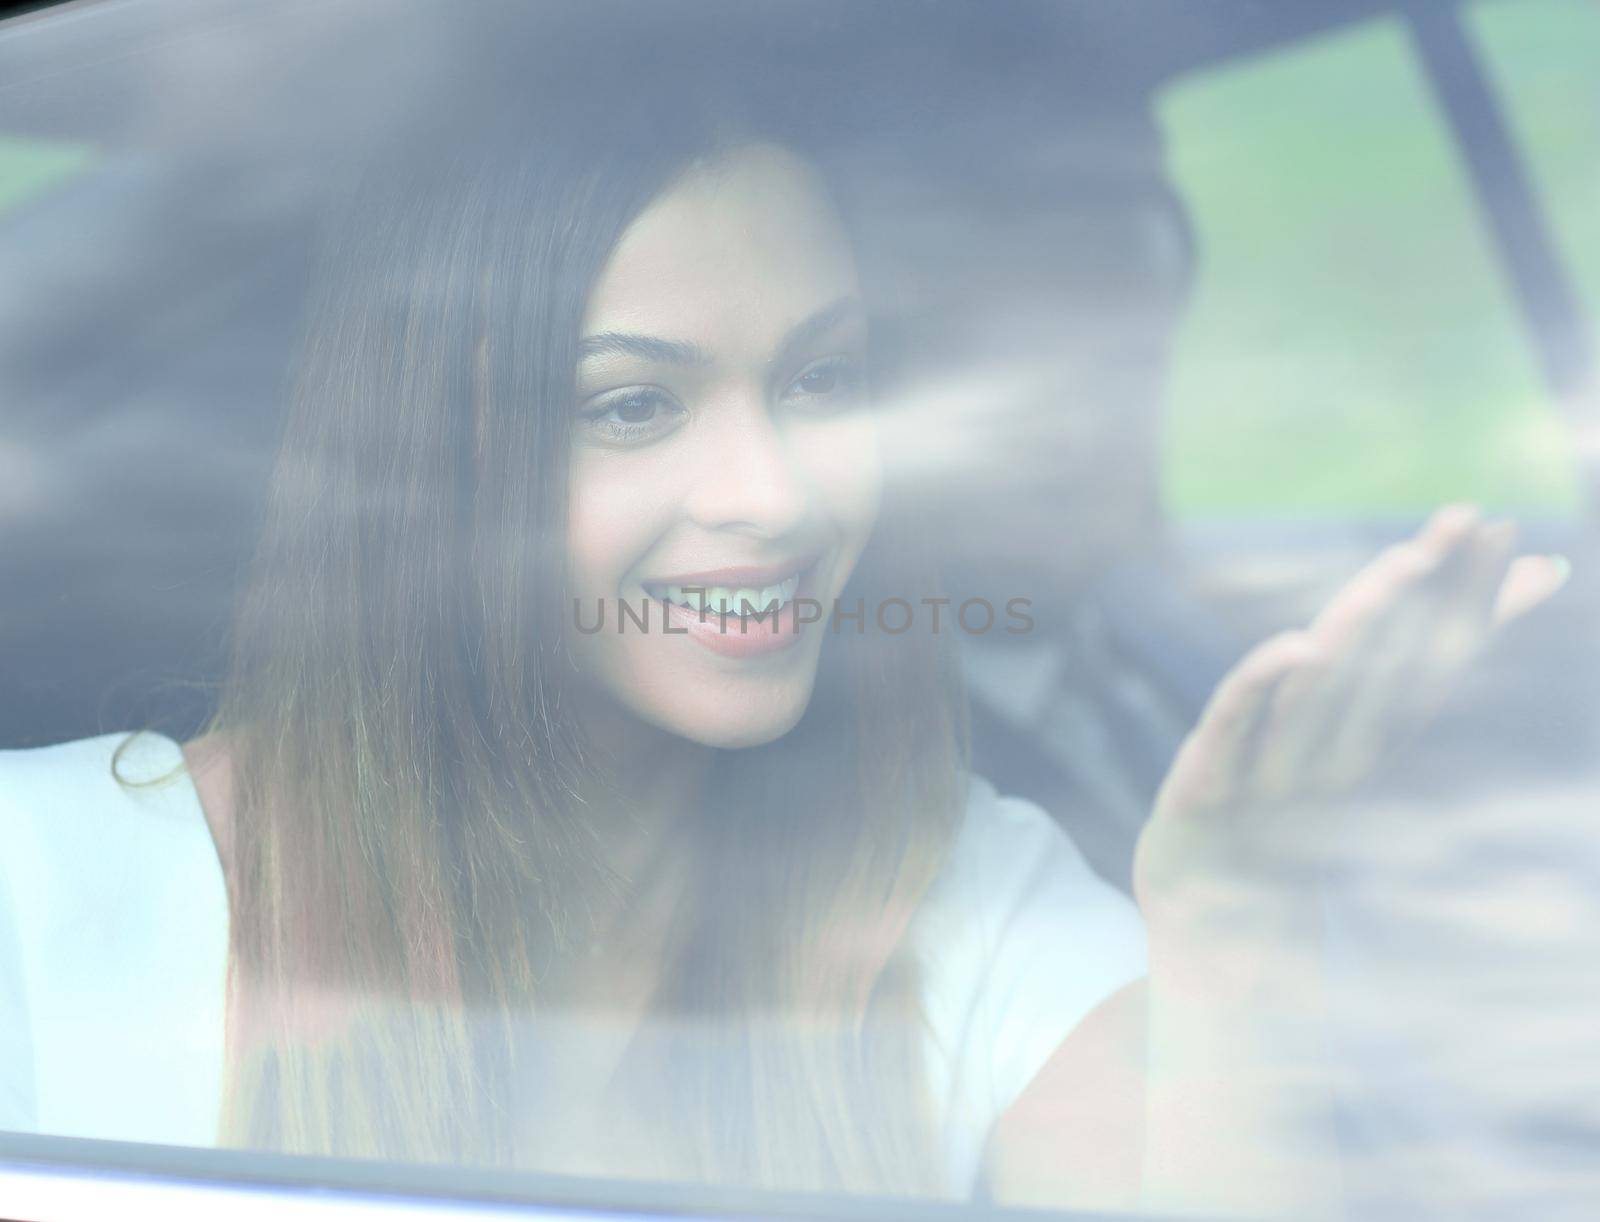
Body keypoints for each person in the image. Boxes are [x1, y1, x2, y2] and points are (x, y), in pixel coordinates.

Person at [0, 37, 1569, 1216]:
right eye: (633, 404)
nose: (775, 492)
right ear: (437, 460)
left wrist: (1237, 940)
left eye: (823, 380)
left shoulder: (967, 894)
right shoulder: (42, 885)